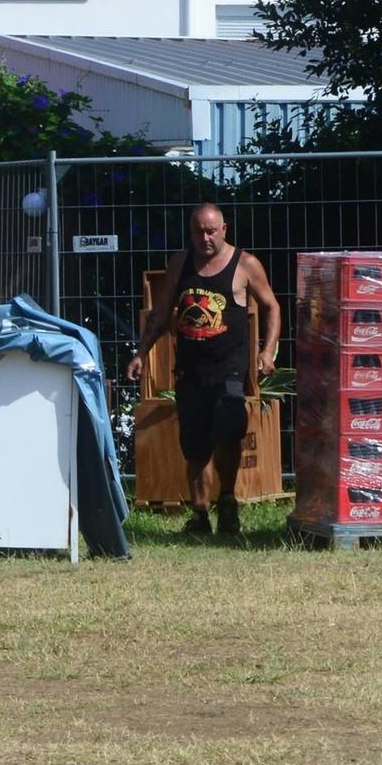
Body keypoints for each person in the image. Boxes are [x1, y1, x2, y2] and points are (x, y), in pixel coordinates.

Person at [127, 203, 280, 535]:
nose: (205, 238)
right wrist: (141, 353)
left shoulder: (245, 264)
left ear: (224, 229)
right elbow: (161, 313)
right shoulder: (180, 264)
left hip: (230, 369)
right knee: (195, 446)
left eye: (211, 231)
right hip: (191, 371)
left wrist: (267, 352)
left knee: (229, 435)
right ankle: (199, 513)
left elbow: (271, 307)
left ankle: (227, 501)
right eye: (199, 232)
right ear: (191, 232)